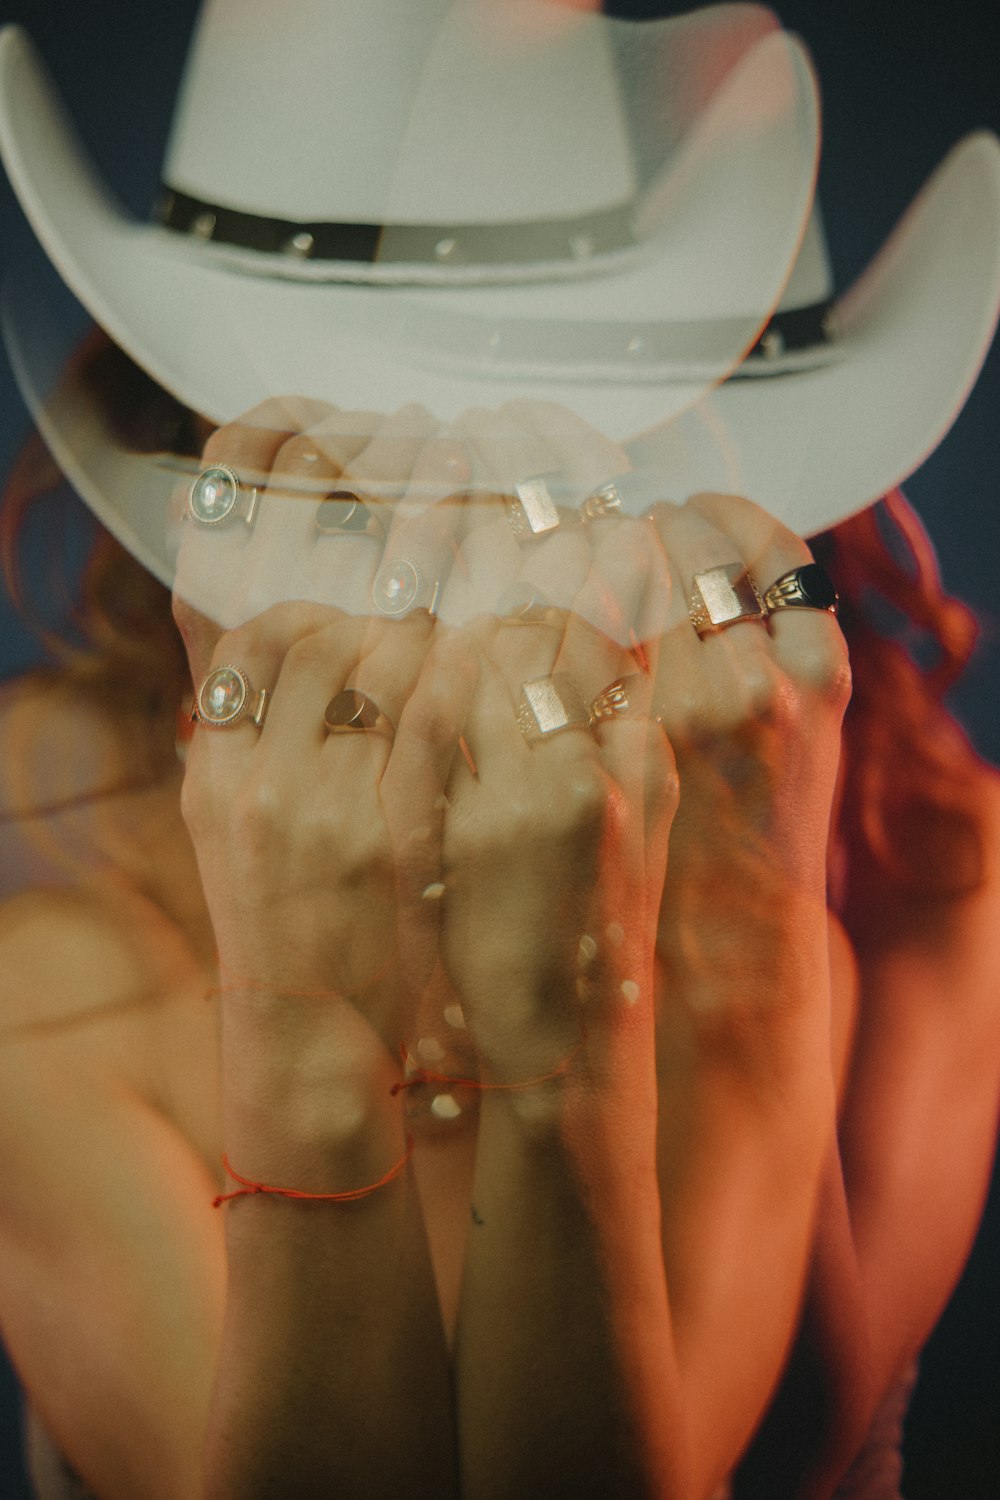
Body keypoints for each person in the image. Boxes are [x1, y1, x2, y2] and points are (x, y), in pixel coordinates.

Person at [1, 3, 998, 1498]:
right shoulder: (58, 924)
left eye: (543, 489)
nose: (465, 575)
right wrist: (299, 986)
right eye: (368, 493)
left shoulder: (916, 886)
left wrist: (746, 933)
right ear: (211, 466)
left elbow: (770, 1449)